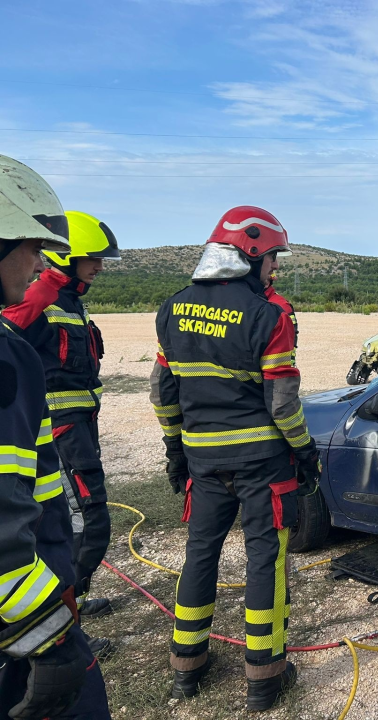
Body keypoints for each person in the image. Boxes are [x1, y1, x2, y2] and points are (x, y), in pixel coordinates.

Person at [151, 206, 321, 711]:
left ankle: (187, 665)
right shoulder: (268, 316)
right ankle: (265, 678)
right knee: (264, 561)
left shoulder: (172, 308)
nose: (275, 269)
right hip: (262, 466)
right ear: (248, 255)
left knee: (199, 555)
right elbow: (283, 404)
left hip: (202, 463)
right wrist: (304, 451)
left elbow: (163, 393)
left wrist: (174, 450)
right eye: (272, 259)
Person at [0, 155, 110, 719]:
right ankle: (69, 615)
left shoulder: (69, 303)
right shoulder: (38, 303)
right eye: (93, 261)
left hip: (71, 425)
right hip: (62, 431)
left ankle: (71, 612)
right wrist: (53, 637)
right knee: (95, 523)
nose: (98, 269)